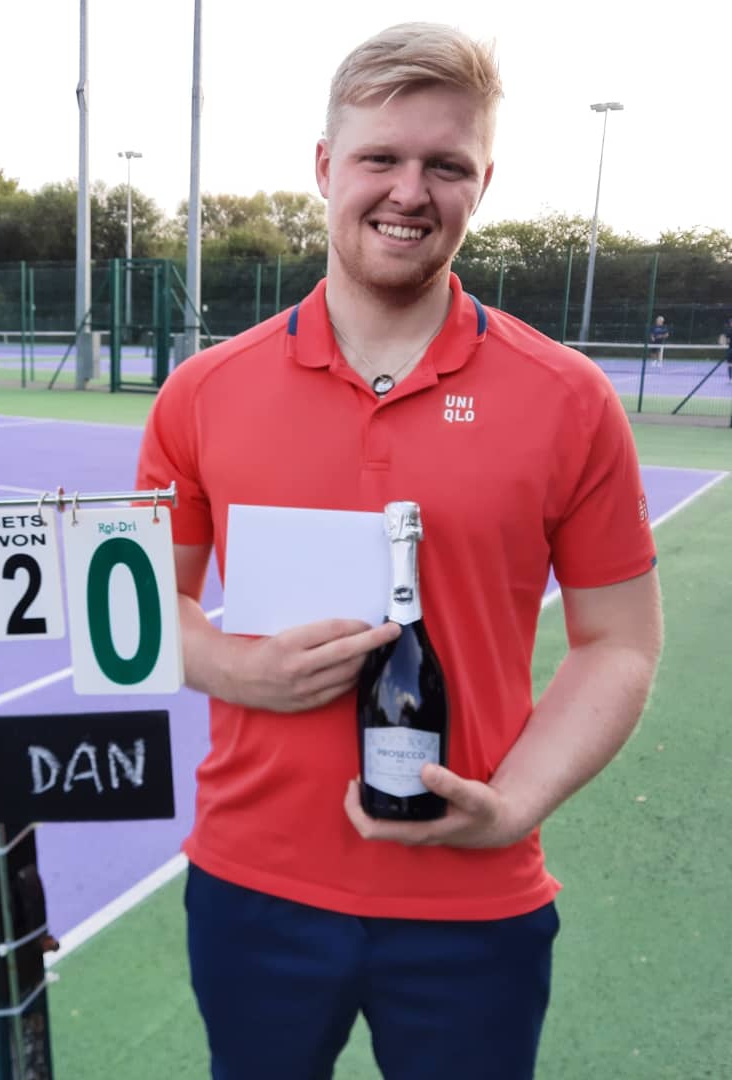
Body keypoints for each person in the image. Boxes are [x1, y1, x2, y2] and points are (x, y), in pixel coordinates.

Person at [136, 22, 663, 1080]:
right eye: (380, 157)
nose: (408, 191)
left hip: (476, 900)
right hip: (254, 892)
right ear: (327, 166)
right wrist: (233, 664)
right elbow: (136, 608)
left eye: (445, 165)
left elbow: (618, 643)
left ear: (484, 183)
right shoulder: (205, 391)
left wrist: (508, 808)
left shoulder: (569, 399)